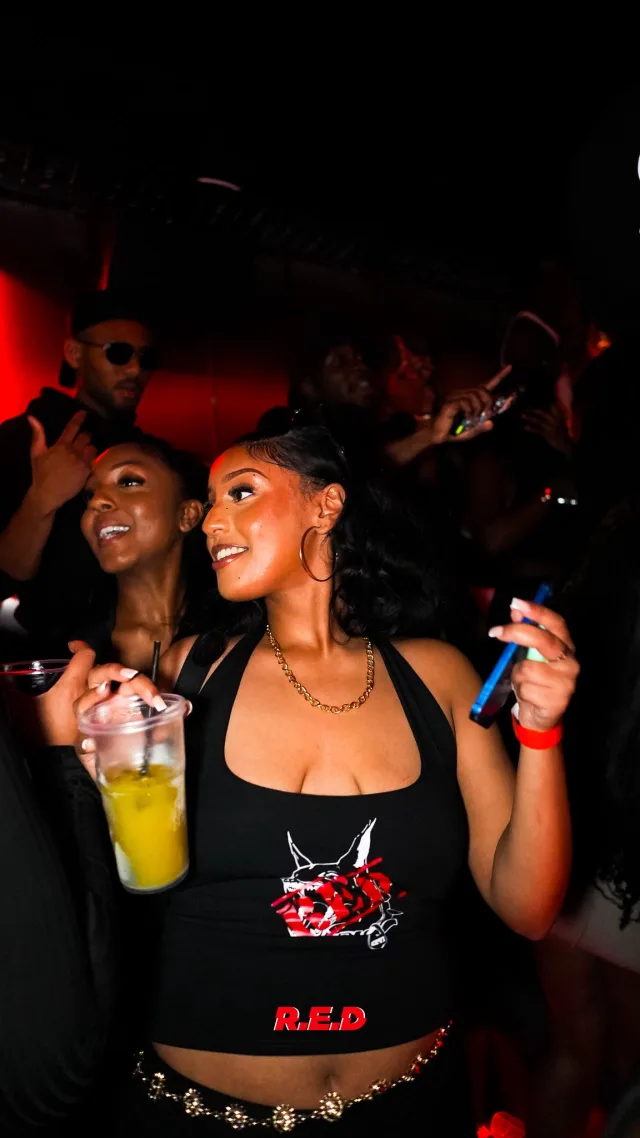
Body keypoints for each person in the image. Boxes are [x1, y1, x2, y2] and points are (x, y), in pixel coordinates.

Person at [72, 422, 578, 1134]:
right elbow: (127, 889)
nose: (211, 522)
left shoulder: (437, 676)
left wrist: (542, 732)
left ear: (326, 505)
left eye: (240, 493)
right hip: (201, 1116)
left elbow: (529, 908)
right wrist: (103, 776)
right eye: (210, 504)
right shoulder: (188, 675)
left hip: (412, 1109)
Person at [526, 495, 640, 1138]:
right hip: (621, 877)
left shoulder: (579, 620)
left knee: (571, 1049)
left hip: (568, 861)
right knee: (629, 1065)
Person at [0, 289, 157, 656]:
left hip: (145, 651)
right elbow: (7, 573)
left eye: (146, 357)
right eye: (118, 352)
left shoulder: (150, 451)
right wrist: (41, 500)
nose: (135, 370)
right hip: (53, 659)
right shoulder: (23, 438)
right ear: (74, 353)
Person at [78, 435, 213, 674]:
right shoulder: (73, 649)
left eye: (128, 482)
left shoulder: (242, 633)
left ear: (187, 515)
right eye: (89, 494)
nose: (96, 501)